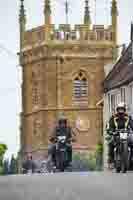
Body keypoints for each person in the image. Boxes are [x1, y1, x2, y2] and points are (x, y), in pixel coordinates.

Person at [107, 102, 133, 169]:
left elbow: (132, 125)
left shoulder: (128, 117)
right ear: (117, 110)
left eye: (122, 109)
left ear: (124, 110)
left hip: (126, 134)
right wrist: (110, 131)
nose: (121, 111)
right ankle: (111, 160)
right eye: (119, 109)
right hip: (116, 134)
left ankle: (132, 159)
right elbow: (109, 125)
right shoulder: (113, 117)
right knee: (110, 142)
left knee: (132, 142)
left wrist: (131, 130)